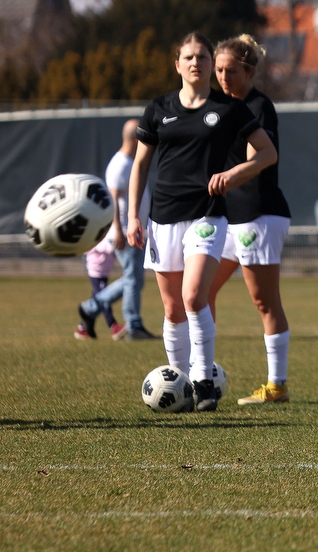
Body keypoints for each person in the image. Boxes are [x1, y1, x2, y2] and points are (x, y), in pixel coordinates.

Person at [127, 32, 277, 412]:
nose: (196, 63)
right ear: (177, 64)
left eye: (203, 57)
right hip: (162, 217)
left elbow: (267, 153)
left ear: (211, 65)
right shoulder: (158, 109)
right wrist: (132, 216)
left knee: (194, 297)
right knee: (173, 309)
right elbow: (141, 164)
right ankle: (178, 383)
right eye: (189, 57)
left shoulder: (229, 109)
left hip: (207, 214)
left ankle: (203, 381)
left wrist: (235, 174)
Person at [207, 34, 292, 405]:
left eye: (232, 71)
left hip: (258, 214)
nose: (224, 77)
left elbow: (259, 156)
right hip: (229, 217)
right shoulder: (218, 107)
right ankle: (202, 371)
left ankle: (277, 386)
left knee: (264, 302)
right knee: (200, 293)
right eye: (219, 70)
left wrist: (227, 176)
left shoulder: (258, 106)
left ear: (249, 71)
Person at [76, 119, 157, 341]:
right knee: (133, 278)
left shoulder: (129, 161)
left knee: (135, 279)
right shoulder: (121, 163)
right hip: (124, 231)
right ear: (136, 139)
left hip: (132, 230)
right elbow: (111, 198)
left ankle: (91, 308)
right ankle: (133, 325)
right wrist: (119, 230)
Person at [74, 235, 125, 340]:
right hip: (96, 273)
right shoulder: (96, 236)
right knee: (103, 301)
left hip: (104, 273)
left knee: (97, 300)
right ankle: (113, 326)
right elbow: (106, 247)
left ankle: (82, 328)